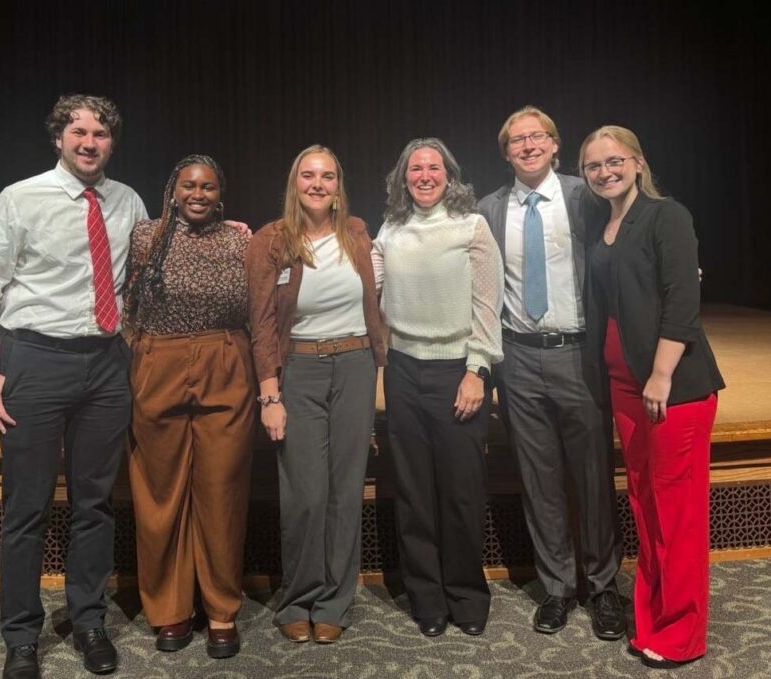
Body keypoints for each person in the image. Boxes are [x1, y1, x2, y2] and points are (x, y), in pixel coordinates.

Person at [0, 94, 148, 679]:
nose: (89, 143)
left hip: (105, 367)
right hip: (35, 363)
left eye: (101, 134)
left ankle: (89, 620)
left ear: (112, 143)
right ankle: (21, 636)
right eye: (79, 132)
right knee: (27, 508)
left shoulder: (128, 202)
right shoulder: (19, 199)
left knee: (95, 504)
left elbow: (156, 263)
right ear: (59, 138)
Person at [476, 106, 626, 640]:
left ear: (556, 145)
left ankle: (604, 585)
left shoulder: (585, 194)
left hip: (579, 355)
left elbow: (634, 228)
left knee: (591, 474)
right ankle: (557, 587)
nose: (528, 145)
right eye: (517, 139)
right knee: (538, 478)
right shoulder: (488, 210)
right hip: (517, 358)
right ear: (506, 151)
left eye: (537, 136)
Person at [579, 125, 724, 669]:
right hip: (623, 388)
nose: (604, 171)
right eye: (593, 166)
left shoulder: (667, 215)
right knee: (646, 507)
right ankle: (653, 619)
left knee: (677, 513)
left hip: (672, 389)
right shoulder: (603, 225)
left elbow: (683, 298)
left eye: (614, 161)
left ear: (638, 162)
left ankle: (682, 634)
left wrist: (661, 374)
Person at [246, 145, 386, 645]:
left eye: (328, 176)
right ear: (295, 182)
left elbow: (377, 303)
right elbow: (261, 325)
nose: (318, 184)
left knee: (346, 491)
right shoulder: (271, 241)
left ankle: (334, 600)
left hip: (355, 366)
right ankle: (298, 598)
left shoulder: (357, 235)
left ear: (339, 184)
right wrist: (270, 395)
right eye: (309, 175)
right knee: (305, 494)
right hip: (299, 370)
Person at [124, 155, 255, 659]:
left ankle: (222, 610)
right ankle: (170, 611)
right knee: (160, 493)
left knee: (221, 490)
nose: (197, 194)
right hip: (160, 361)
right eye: (188, 186)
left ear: (220, 194)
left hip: (226, 361)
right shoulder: (145, 237)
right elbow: (124, 299)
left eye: (207, 187)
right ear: (173, 190)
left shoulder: (241, 240)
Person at [373, 138, 503, 637]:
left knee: (462, 490)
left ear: (449, 174)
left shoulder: (472, 226)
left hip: (459, 373)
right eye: (414, 168)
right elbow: (365, 280)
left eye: (433, 167)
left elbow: (488, 306)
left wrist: (479, 371)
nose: (424, 175)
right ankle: (426, 596)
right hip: (404, 371)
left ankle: (467, 594)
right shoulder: (392, 227)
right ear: (402, 178)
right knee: (413, 490)